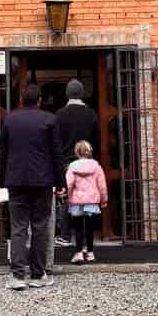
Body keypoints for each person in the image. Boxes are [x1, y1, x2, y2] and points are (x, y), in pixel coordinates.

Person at [0, 80, 63, 290]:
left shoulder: (10, 120)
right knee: (40, 227)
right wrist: (61, 182)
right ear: (40, 101)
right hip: (43, 181)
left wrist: (2, 180)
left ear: (20, 100)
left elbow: (3, 152)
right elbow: (56, 154)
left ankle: (17, 276)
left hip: (16, 180)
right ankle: (37, 274)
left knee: (18, 227)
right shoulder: (49, 120)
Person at [55, 79, 101, 245]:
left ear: (67, 94)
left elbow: (56, 142)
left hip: (67, 162)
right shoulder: (91, 114)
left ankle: (65, 235)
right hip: (87, 161)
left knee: (66, 198)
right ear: (82, 94)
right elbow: (97, 139)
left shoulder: (59, 115)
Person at [65, 140, 107, 263]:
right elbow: (102, 185)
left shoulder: (72, 167)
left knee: (78, 227)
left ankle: (78, 253)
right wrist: (104, 199)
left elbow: (69, 184)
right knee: (90, 228)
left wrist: (65, 195)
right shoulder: (96, 167)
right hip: (92, 201)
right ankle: (90, 253)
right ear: (89, 152)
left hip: (77, 201)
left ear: (76, 152)